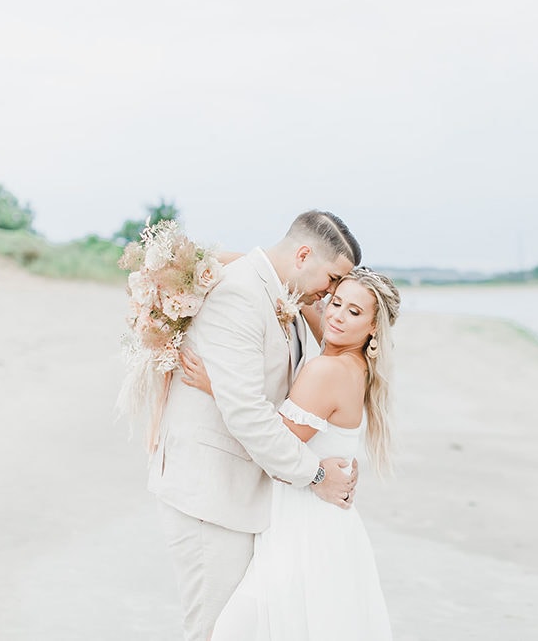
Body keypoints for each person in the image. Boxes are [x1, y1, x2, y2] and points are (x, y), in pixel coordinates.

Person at [147, 210, 362, 641]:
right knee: (209, 632)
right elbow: (246, 411)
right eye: (334, 278)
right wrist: (315, 474)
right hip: (209, 497)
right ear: (304, 254)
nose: (332, 292)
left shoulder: (287, 297)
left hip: (241, 496)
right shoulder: (243, 294)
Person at [179, 267, 400, 640]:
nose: (336, 315)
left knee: (233, 631)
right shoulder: (355, 364)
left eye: (354, 312)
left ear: (374, 329)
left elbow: (271, 441)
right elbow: (275, 271)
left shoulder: (327, 369)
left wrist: (218, 386)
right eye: (336, 302)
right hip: (320, 525)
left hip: (306, 530)